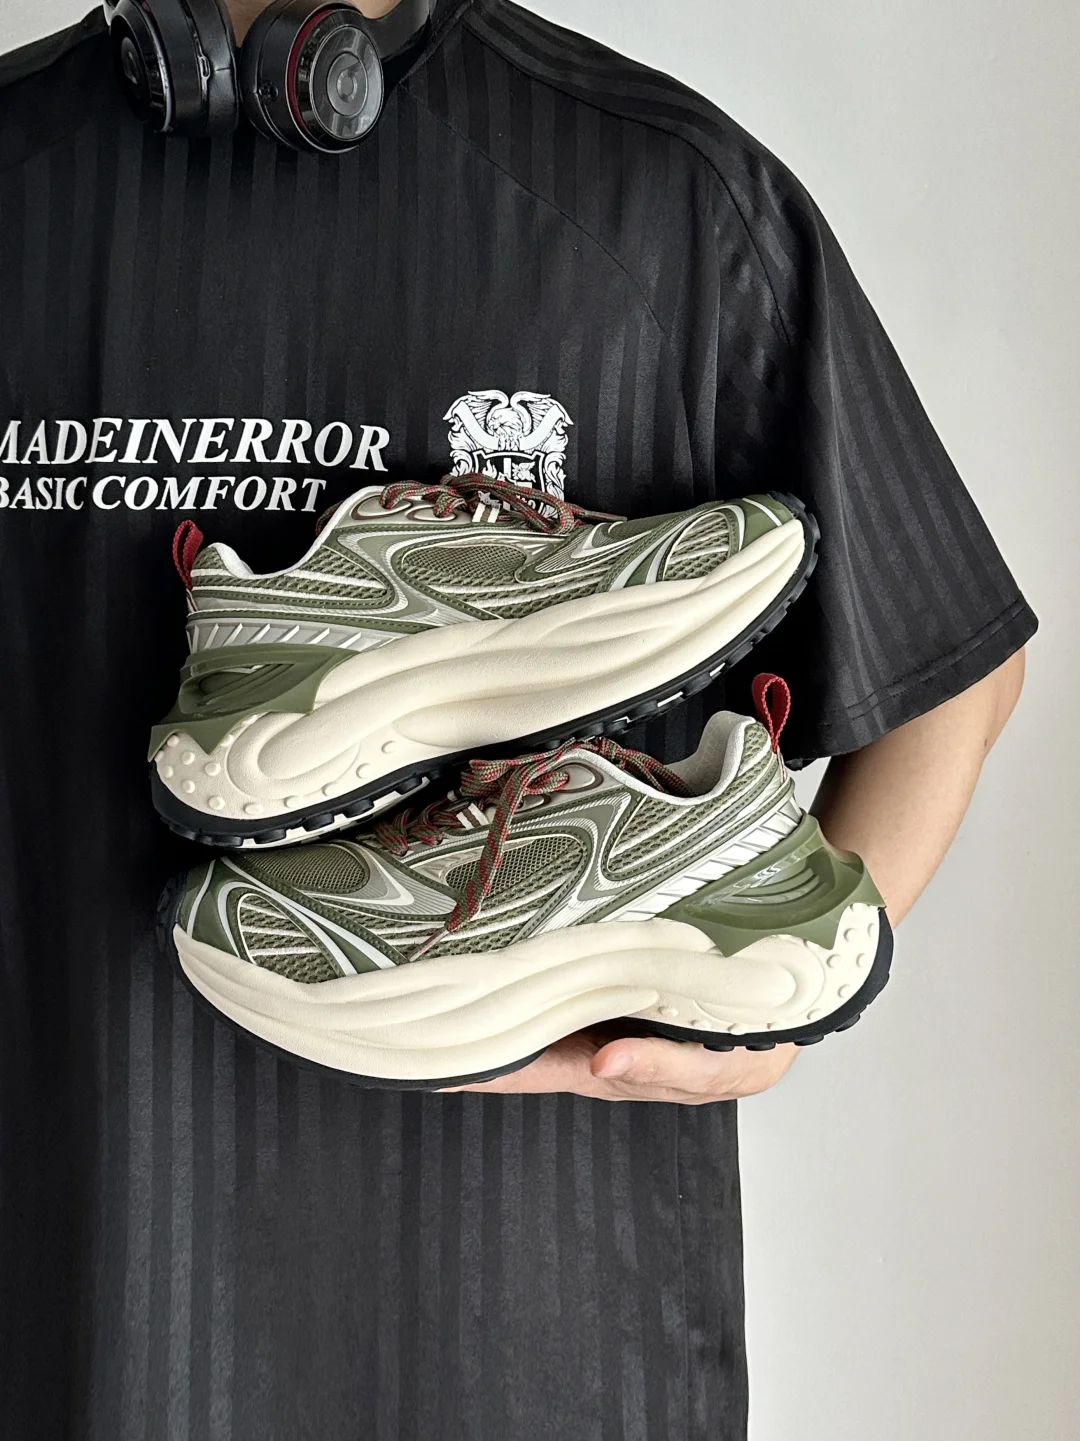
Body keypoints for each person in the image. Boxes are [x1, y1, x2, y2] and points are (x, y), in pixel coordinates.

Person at [0, 2, 1034, 1438]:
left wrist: (785, 999)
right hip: (80, 1298)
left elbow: (949, 653)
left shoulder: (667, 201)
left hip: (537, 1331)